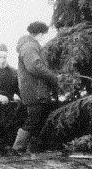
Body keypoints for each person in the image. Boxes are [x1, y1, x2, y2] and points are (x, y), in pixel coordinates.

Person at [12, 21, 60, 154]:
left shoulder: (28, 45)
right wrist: (52, 76)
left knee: (36, 120)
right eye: (43, 35)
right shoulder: (30, 46)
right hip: (35, 91)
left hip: (34, 90)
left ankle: (30, 150)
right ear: (39, 34)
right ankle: (17, 149)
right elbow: (34, 66)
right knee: (33, 120)